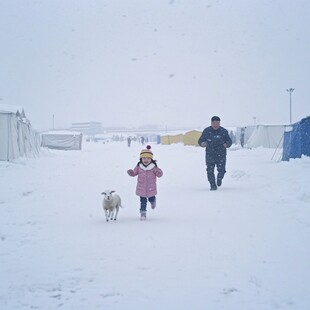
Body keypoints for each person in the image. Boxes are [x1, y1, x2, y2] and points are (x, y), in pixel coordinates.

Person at [127, 145, 163, 220]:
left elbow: (159, 175)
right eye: (144, 158)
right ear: (141, 159)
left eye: (148, 158)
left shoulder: (153, 167)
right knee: (143, 201)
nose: (146, 160)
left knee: (151, 198)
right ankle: (143, 213)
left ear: (151, 159)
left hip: (151, 188)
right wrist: (131, 173)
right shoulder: (139, 167)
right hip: (141, 188)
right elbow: (134, 173)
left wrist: (159, 172)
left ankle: (153, 202)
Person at [198, 116, 232, 191]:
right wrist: (203, 144)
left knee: (222, 170)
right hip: (210, 154)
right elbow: (200, 141)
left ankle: (219, 178)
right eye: (214, 123)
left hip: (221, 154)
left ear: (219, 123)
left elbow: (229, 141)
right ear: (211, 123)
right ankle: (212, 185)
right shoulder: (207, 131)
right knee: (210, 170)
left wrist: (227, 144)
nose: (216, 125)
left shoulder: (224, 131)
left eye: (217, 123)